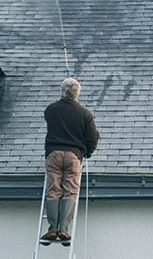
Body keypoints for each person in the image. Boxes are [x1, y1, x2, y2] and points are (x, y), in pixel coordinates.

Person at [41, 77, 99, 244]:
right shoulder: (85, 114)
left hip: (54, 154)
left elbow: (55, 121)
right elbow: (92, 137)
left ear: (62, 91)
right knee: (70, 191)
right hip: (74, 156)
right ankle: (63, 229)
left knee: (53, 191)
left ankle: (52, 228)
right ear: (77, 94)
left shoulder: (50, 110)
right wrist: (87, 151)